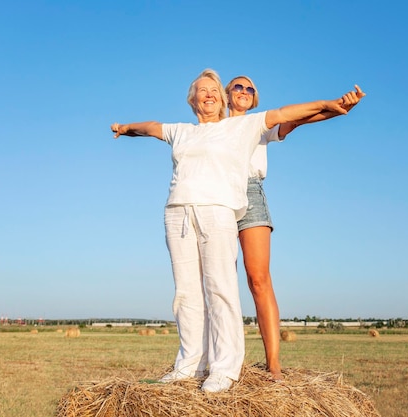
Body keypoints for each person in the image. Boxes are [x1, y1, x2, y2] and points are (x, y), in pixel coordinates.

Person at [111, 68, 356, 392]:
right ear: (194, 99)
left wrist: (330, 106)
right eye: (204, 90)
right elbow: (154, 128)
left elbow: (289, 118)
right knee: (186, 293)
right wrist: (127, 128)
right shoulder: (184, 130)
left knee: (234, 284)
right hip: (180, 210)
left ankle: (241, 367)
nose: (210, 94)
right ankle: (189, 365)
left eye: (246, 88)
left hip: (233, 201)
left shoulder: (245, 125)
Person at [225, 75, 365, 381]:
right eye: (238, 86)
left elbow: (299, 119)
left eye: (251, 89)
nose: (245, 91)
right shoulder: (214, 127)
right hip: (217, 196)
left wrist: (339, 108)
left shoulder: (260, 125)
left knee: (258, 279)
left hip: (250, 193)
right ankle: (221, 361)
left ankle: (273, 364)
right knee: (219, 281)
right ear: (226, 94)